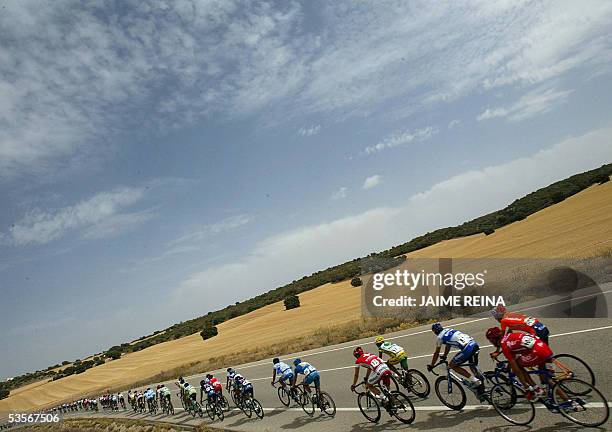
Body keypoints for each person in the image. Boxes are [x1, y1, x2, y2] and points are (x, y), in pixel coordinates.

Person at [486, 326, 554, 400]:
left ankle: (537, 389)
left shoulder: (504, 344)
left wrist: (526, 387)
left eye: (490, 340)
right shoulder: (508, 335)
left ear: (493, 340)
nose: (490, 342)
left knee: (518, 365)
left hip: (538, 352)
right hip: (544, 347)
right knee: (547, 377)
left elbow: (516, 370)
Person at [427, 323, 484, 398]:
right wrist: (444, 356)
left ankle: (475, 380)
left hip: (467, 349)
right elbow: (448, 345)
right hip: (474, 344)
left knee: (452, 365)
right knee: (472, 366)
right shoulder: (448, 330)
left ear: (434, 332)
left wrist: (432, 365)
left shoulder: (439, 337)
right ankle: (481, 386)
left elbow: (436, 353)